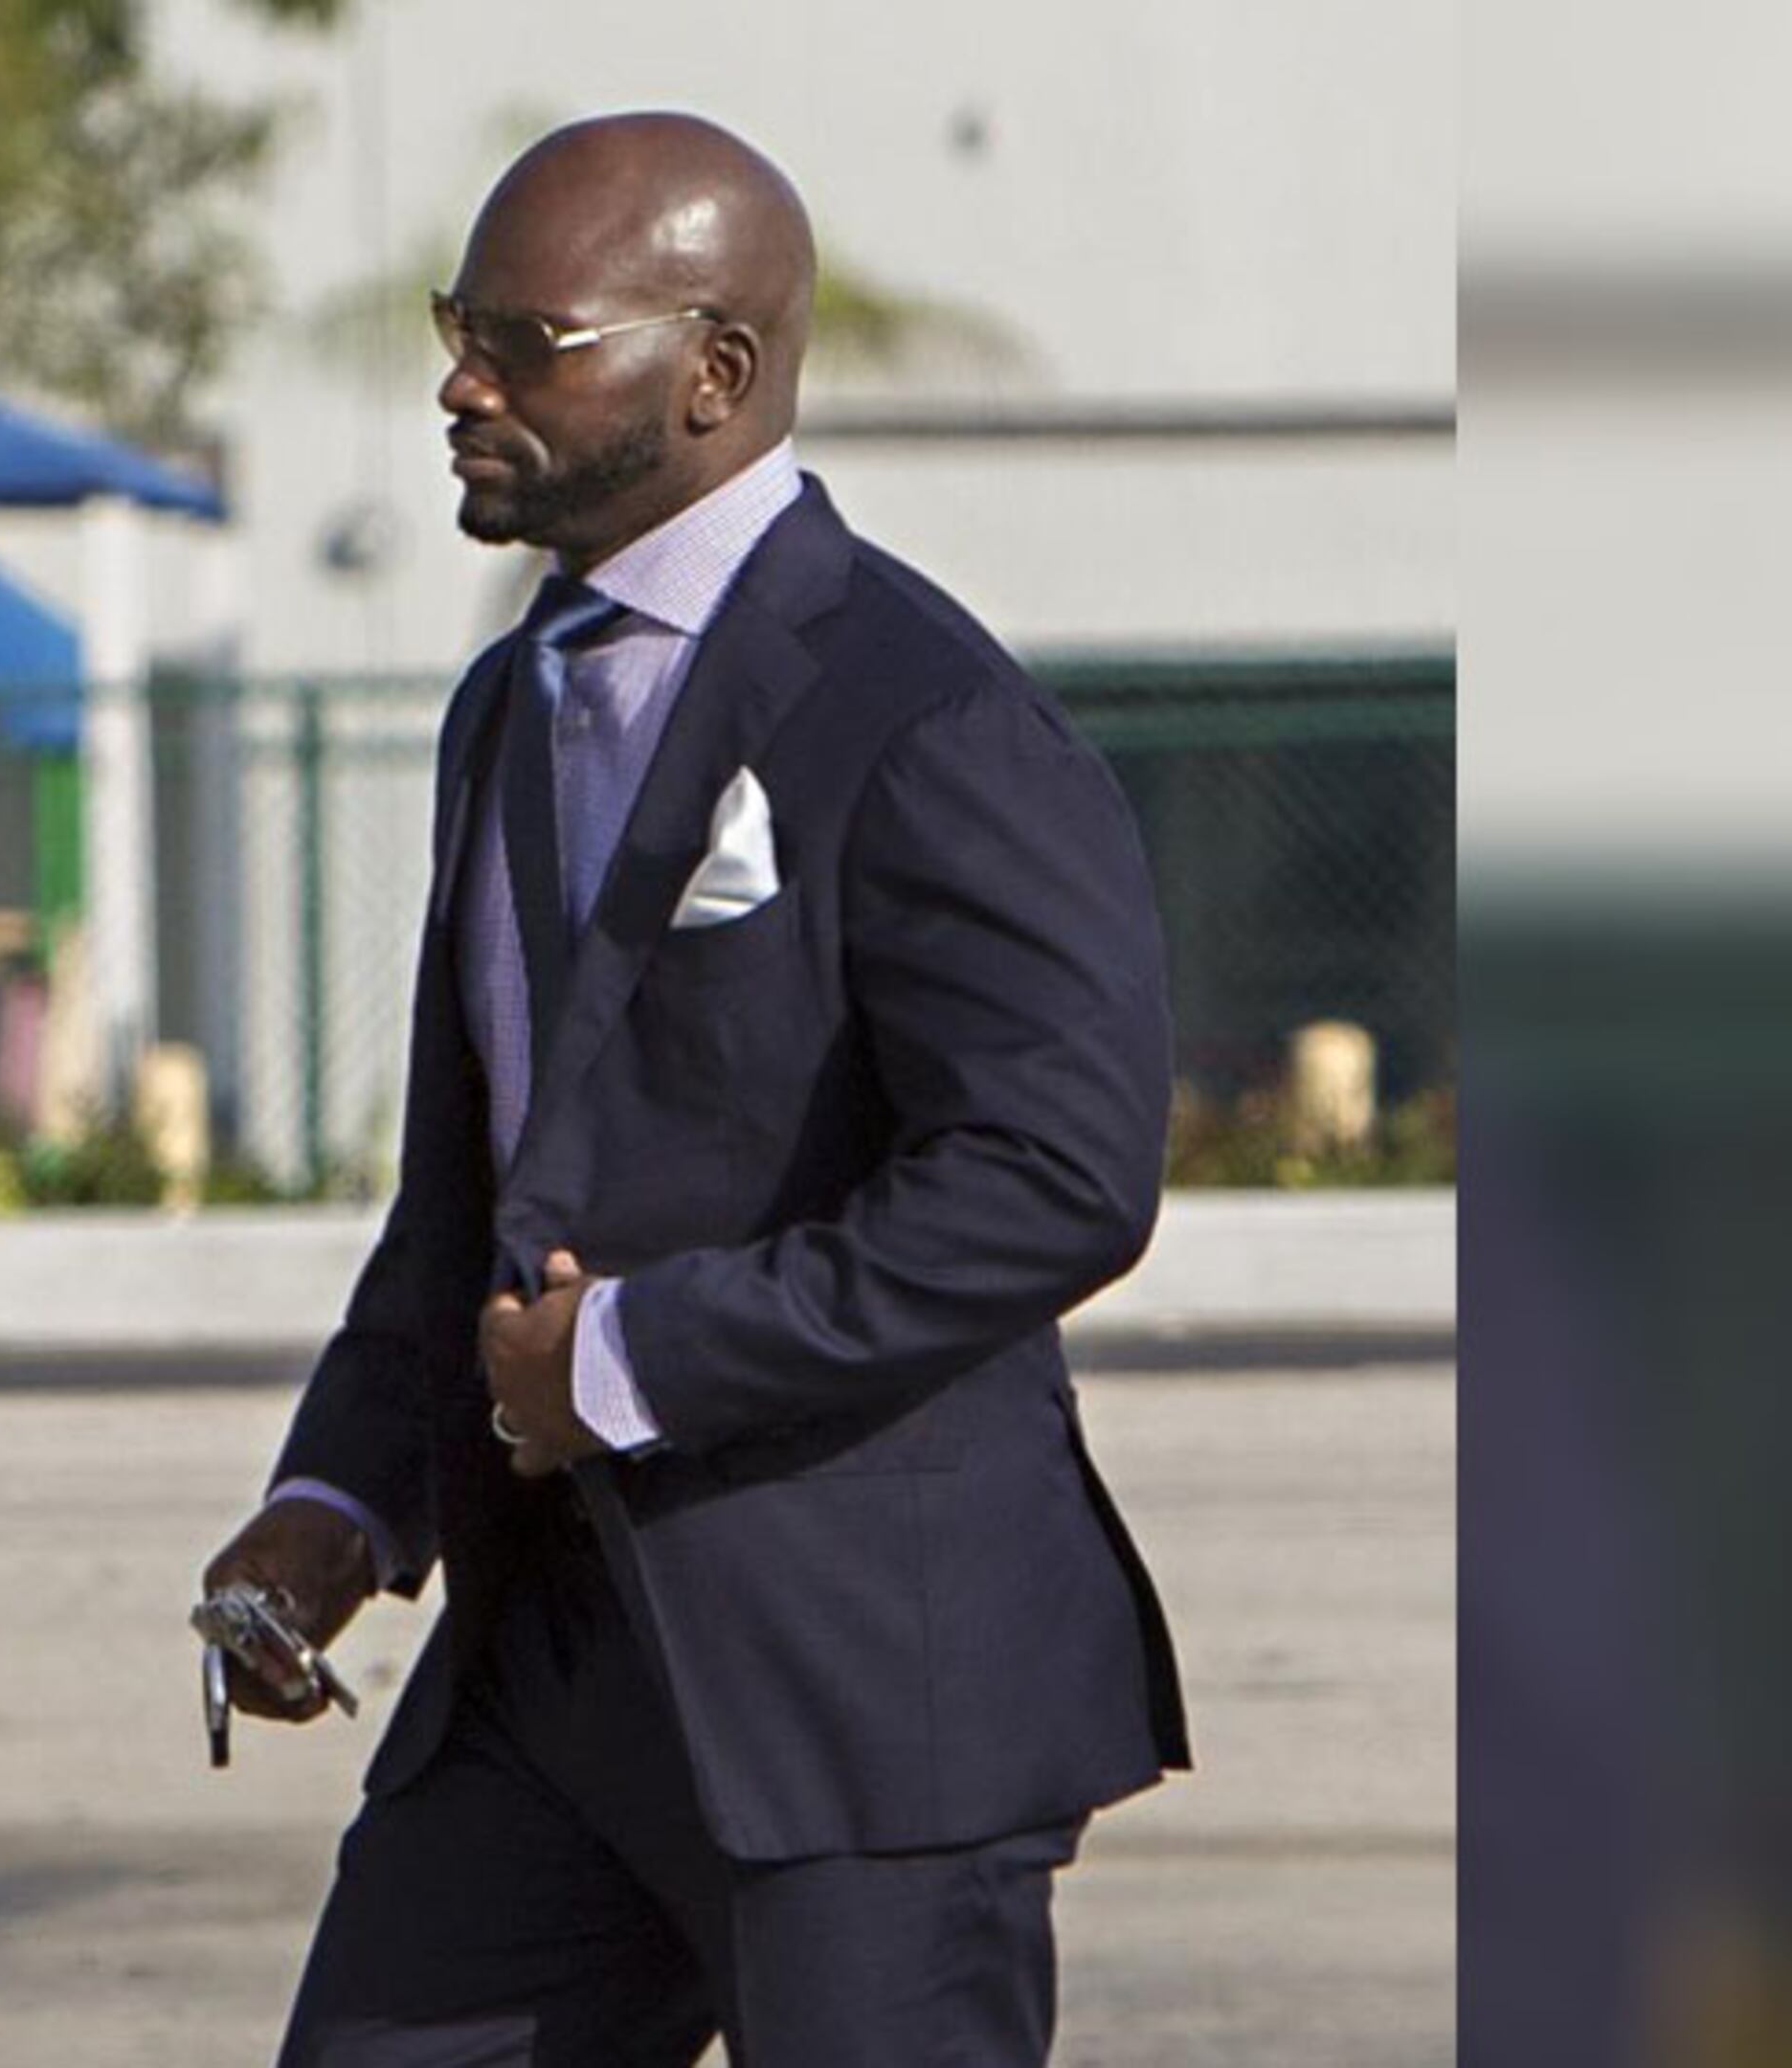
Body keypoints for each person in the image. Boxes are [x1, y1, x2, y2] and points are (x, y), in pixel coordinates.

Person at [198, 111, 1189, 2067]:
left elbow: (1058, 1173)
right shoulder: (509, 702)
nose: (459, 383)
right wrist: (336, 1498)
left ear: (716, 373)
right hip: (542, 1690)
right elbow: (480, 1191)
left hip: (857, 1707)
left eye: (525, 339)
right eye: (453, 328)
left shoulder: (923, 714)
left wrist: (639, 1357)